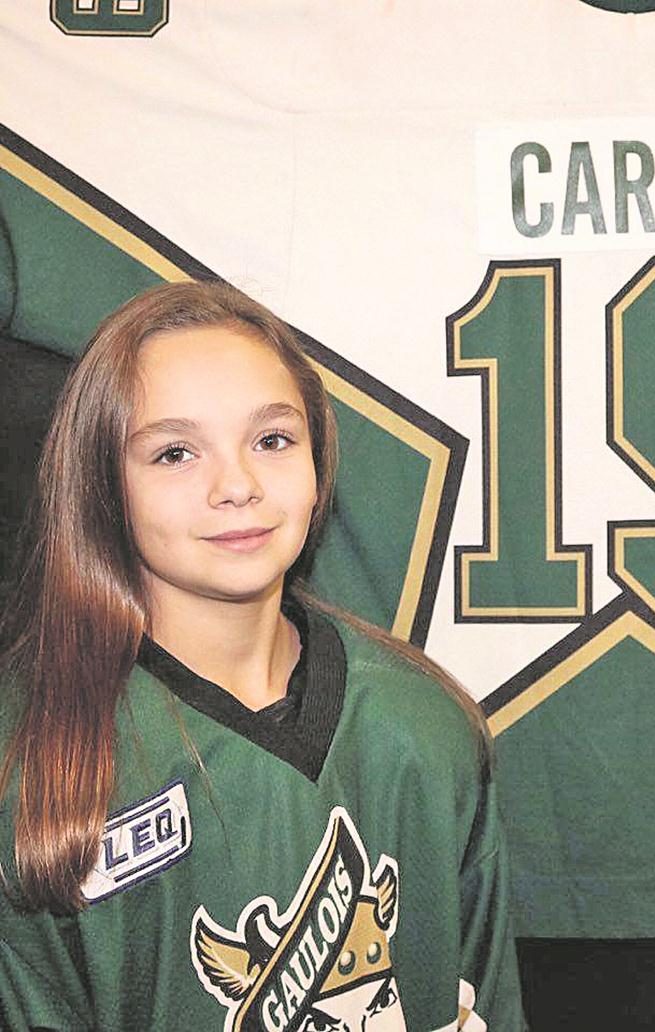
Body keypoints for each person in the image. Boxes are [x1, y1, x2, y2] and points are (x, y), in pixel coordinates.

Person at [0, 280, 526, 1031]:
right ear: (102, 486)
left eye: (272, 440)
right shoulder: (32, 763)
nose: (238, 485)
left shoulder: (423, 723)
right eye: (176, 452)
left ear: (318, 461)